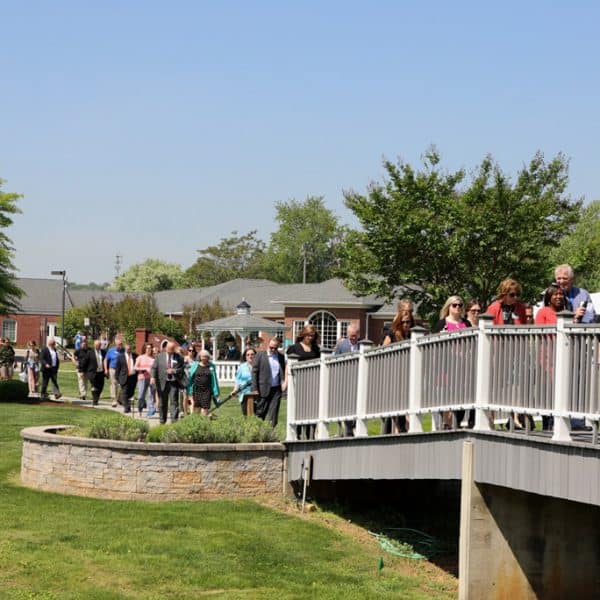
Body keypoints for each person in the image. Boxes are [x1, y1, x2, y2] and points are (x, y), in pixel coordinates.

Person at [431, 296, 472, 429]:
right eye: (454, 305)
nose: (458, 307)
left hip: (463, 365)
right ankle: (446, 423)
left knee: (462, 395)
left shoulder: (466, 324)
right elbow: (433, 345)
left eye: (460, 305)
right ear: (448, 307)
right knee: (446, 394)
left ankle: (457, 422)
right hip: (445, 364)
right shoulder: (441, 324)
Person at [382, 310, 414, 433]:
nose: (406, 324)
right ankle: (397, 428)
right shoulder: (392, 334)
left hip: (408, 371)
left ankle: (402, 428)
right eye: (403, 322)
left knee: (406, 400)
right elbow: (383, 350)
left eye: (408, 322)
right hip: (394, 371)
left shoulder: (412, 335)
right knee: (397, 401)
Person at [253, 337, 287, 427]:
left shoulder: (280, 357)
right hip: (262, 388)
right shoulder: (260, 355)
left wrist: (284, 382)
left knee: (274, 412)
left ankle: (271, 432)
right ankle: (257, 431)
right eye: (271, 347)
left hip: (276, 389)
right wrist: (255, 388)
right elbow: (254, 372)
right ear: (268, 345)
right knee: (260, 412)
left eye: (275, 348)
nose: (273, 349)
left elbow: (283, 370)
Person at [333, 324, 361, 436]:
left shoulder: (362, 345)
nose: (353, 338)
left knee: (357, 403)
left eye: (355, 336)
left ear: (358, 335)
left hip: (358, 379)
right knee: (346, 404)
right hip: (344, 379)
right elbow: (336, 360)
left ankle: (356, 426)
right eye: (351, 336)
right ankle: (348, 428)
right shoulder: (342, 345)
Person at [151, 341, 184, 424]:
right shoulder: (159, 356)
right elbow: (154, 368)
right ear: (166, 348)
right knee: (162, 402)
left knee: (174, 402)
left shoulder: (179, 357)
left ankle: (174, 421)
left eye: (171, 350)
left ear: (174, 349)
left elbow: (182, 369)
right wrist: (152, 377)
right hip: (162, 382)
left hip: (174, 382)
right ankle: (162, 421)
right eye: (168, 350)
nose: (169, 352)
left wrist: (174, 371)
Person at [187, 349, 220, 416]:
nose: (204, 358)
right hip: (196, 390)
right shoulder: (195, 365)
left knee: (205, 409)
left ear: (208, 357)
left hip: (207, 391)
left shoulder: (211, 366)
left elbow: (214, 380)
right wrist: (189, 390)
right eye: (203, 356)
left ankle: (203, 423)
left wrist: (215, 392)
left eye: (206, 356)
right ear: (200, 357)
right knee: (196, 409)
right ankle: (197, 423)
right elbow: (190, 378)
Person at [81, 339, 106, 405]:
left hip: (101, 372)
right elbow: (84, 362)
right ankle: (95, 400)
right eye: (97, 345)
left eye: (99, 345)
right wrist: (82, 371)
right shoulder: (90, 353)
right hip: (92, 372)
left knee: (101, 386)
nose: (98, 346)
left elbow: (106, 362)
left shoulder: (103, 352)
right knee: (94, 386)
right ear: (94, 345)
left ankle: (96, 398)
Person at [114, 343, 137, 414]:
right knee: (125, 392)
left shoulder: (135, 356)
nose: (128, 350)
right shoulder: (120, 357)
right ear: (125, 349)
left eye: (129, 349)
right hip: (124, 377)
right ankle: (126, 407)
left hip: (133, 377)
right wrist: (116, 378)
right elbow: (118, 368)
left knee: (131, 393)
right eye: (127, 349)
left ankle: (121, 400)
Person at [232, 347, 256, 415]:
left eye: (252, 354)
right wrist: (235, 390)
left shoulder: (258, 366)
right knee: (246, 415)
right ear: (245, 357)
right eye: (247, 355)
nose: (250, 356)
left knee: (257, 416)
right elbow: (237, 380)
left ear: (255, 355)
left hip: (256, 394)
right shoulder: (242, 367)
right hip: (244, 394)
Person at [135, 343, 156, 417]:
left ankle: (150, 411)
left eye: (150, 348)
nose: (148, 349)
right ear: (144, 349)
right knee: (141, 395)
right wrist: (143, 369)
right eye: (147, 348)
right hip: (142, 378)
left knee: (151, 395)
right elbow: (135, 367)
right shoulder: (140, 357)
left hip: (151, 379)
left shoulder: (153, 359)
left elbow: (155, 369)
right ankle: (140, 410)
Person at [104, 337, 124, 407]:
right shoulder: (111, 350)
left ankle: (120, 399)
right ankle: (114, 400)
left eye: (121, 344)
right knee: (113, 384)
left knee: (123, 384)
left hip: (122, 370)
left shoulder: (124, 351)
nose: (120, 346)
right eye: (119, 344)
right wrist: (106, 369)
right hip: (113, 369)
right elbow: (106, 360)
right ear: (116, 344)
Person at [71, 336, 89, 400]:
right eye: (83, 343)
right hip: (80, 368)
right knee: (81, 381)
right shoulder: (78, 350)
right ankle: (83, 394)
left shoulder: (89, 350)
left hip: (87, 369)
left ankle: (83, 393)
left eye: (85, 343)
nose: (84, 344)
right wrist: (75, 362)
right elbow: (73, 356)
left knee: (85, 382)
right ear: (81, 343)